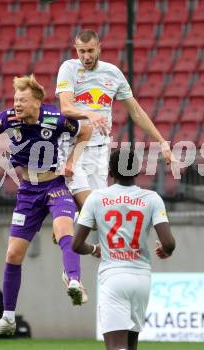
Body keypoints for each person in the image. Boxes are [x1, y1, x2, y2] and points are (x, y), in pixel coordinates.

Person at [0, 74, 92, 337]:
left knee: (65, 231)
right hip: (28, 191)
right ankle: (8, 318)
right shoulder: (8, 118)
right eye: (16, 99)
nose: (17, 104)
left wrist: (73, 160)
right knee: (12, 255)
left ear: (37, 102)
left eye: (23, 100)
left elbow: (86, 129)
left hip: (56, 186)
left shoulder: (56, 118)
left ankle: (73, 280)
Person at [55, 29, 175, 209]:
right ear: (76, 49)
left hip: (99, 150)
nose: (86, 56)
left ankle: (70, 231)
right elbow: (66, 107)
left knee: (98, 213)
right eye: (82, 51)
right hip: (73, 146)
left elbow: (135, 111)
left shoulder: (113, 73)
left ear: (99, 48)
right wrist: (90, 114)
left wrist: (162, 141)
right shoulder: (69, 68)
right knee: (90, 206)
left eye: (90, 51)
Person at [72, 148, 176, 350]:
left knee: (116, 347)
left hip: (113, 277)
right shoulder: (152, 198)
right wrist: (166, 250)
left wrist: (94, 249)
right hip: (141, 279)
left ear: (110, 171)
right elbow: (169, 243)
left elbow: (76, 245)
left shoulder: (96, 198)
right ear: (137, 171)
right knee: (131, 345)